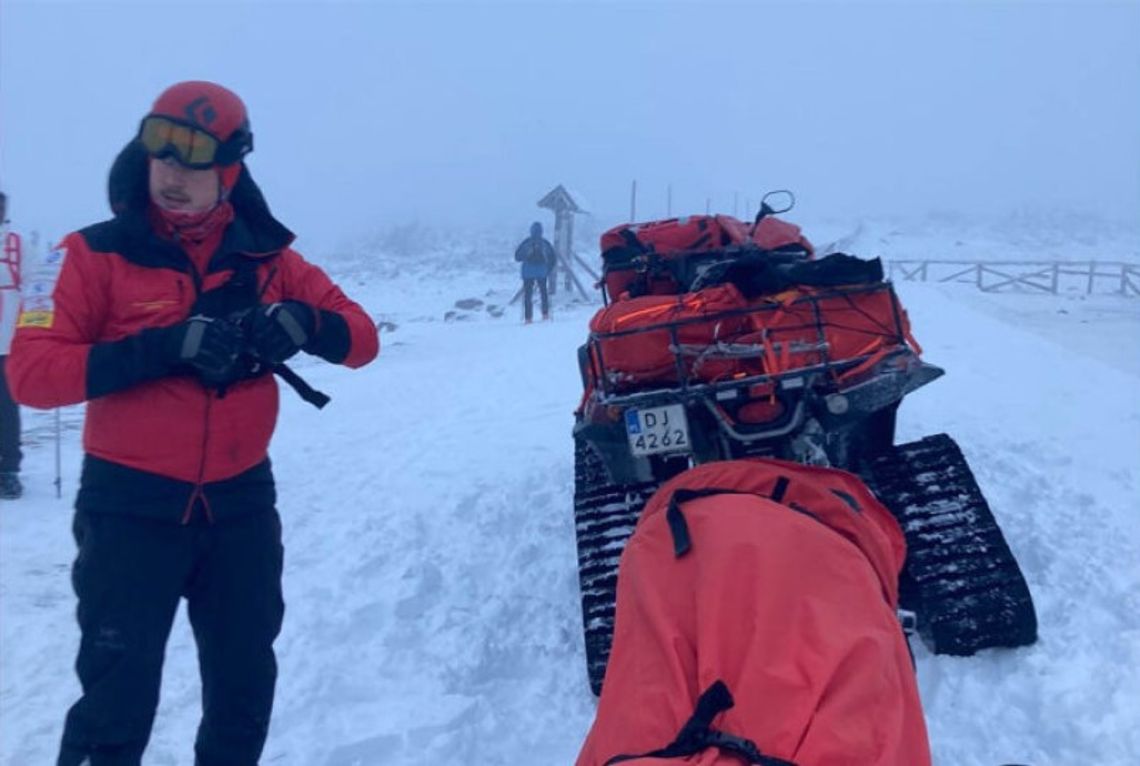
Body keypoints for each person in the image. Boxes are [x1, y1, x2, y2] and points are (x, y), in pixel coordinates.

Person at [7, 81, 379, 765]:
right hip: (129, 509)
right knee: (114, 702)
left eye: (195, 164)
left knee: (243, 691)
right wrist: (162, 348)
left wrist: (304, 322)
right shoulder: (86, 255)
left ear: (230, 171)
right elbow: (30, 375)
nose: (174, 178)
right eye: (163, 158)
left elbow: (362, 339)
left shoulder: (272, 261)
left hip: (240, 505)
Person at [0, 190, 22, 500]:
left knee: (6, 406)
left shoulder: (16, 243)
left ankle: (8, 470)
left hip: (8, 341)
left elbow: (39, 283)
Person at [514, 220, 556, 323]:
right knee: (544, 293)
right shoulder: (545, 243)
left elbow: (517, 257)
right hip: (542, 272)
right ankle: (545, 314)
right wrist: (548, 269)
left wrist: (525, 257)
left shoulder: (526, 242)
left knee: (528, 295)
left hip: (527, 273)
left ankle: (528, 318)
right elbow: (553, 258)